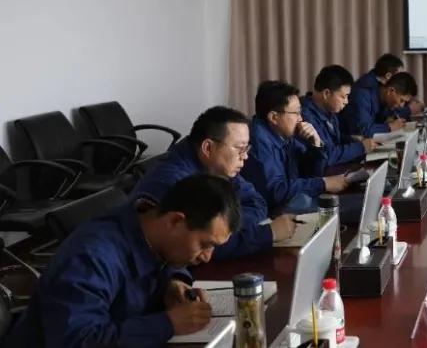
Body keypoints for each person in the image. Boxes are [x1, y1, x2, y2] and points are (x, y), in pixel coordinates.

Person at [4, 174, 240, 348]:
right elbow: (77, 341)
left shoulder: (151, 228)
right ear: (175, 221)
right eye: (205, 244)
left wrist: (173, 281)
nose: (207, 256)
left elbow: (162, 260)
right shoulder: (92, 257)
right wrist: (168, 324)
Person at [131, 106, 298, 257]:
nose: (245, 156)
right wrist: (267, 234)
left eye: (247, 148)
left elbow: (256, 202)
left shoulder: (217, 167)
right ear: (208, 147)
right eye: (240, 149)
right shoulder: (174, 182)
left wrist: (225, 225)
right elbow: (201, 245)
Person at [242, 80, 348, 215]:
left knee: (347, 204)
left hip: (294, 202)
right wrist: (323, 184)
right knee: (344, 209)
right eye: (296, 113)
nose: (300, 119)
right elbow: (276, 191)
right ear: (274, 117)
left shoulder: (283, 133)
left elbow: (311, 172)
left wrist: (316, 145)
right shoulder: (258, 140)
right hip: (274, 214)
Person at [301, 64, 376, 166]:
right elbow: (326, 155)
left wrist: (352, 139)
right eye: (343, 97)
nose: (346, 102)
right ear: (326, 93)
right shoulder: (305, 116)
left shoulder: (329, 110)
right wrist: (361, 147)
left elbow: (333, 141)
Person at [341, 70, 419, 139]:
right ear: (390, 91)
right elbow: (362, 131)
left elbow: (391, 117)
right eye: (401, 100)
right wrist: (390, 127)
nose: (401, 106)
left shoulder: (386, 100)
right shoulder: (362, 96)